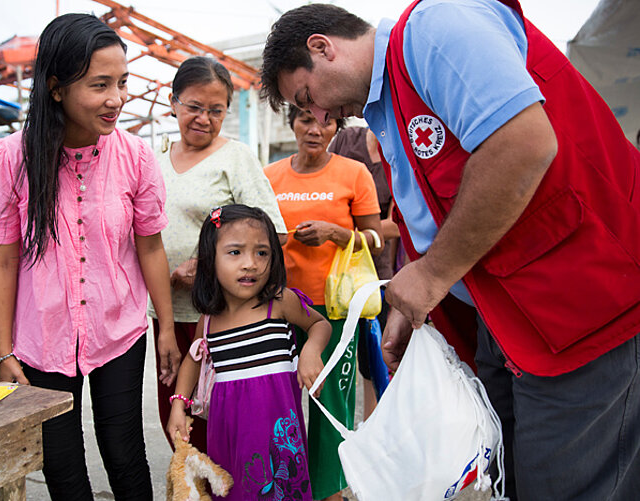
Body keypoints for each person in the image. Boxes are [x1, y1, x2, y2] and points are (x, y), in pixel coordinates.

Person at [259, 2, 640, 501]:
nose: (323, 117)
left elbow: (522, 142)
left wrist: (433, 274)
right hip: (506, 320)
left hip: (575, 303)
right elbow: (439, 208)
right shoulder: (390, 102)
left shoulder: (437, 26)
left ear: (321, 47)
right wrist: (420, 298)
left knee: (569, 480)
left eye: (309, 98)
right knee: (507, 472)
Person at [0, 14, 180, 500]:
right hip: (39, 340)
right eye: (100, 85)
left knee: (126, 453)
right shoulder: (8, 161)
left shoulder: (135, 157)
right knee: (62, 466)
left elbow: (149, 245)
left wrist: (167, 329)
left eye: (123, 82)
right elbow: (2, 261)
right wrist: (5, 352)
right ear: (56, 88)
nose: (117, 98)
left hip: (120, 330)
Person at [149, 56, 286, 453]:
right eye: (194, 106)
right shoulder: (153, 162)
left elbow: (274, 234)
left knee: (223, 428)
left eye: (216, 110)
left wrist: (209, 266)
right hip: (168, 317)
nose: (204, 119)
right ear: (173, 102)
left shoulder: (235, 157)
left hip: (222, 319)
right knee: (176, 423)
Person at [166, 204, 331, 500]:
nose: (250, 264)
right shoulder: (209, 320)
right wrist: (178, 404)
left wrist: (311, 351)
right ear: (210, 259)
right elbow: (194, 359)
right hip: (229, 435)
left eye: (262, 253)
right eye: (235, 252)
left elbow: (320, 324)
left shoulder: (278, 302)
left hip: (277, 439)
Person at [265, 106, 382, 501]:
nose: (316, 130)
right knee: (279, 403)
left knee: (330, 404)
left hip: (334, 310)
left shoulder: (354, 173)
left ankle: (329, 492)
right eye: (305, 121)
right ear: (292, 124)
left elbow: (376, 238)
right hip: (278, 307)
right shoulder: (270, 176)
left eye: (327, 122)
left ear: (336, 126)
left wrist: (337, 233)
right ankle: (284, 486)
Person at [328, 126, 401, 416]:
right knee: (332, 360)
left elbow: (397, 224)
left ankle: (372, 432)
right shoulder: (347, 139)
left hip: (373, 272)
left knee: (373, 365)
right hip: (333, 270)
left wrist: (342, 232)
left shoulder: (398, 154)